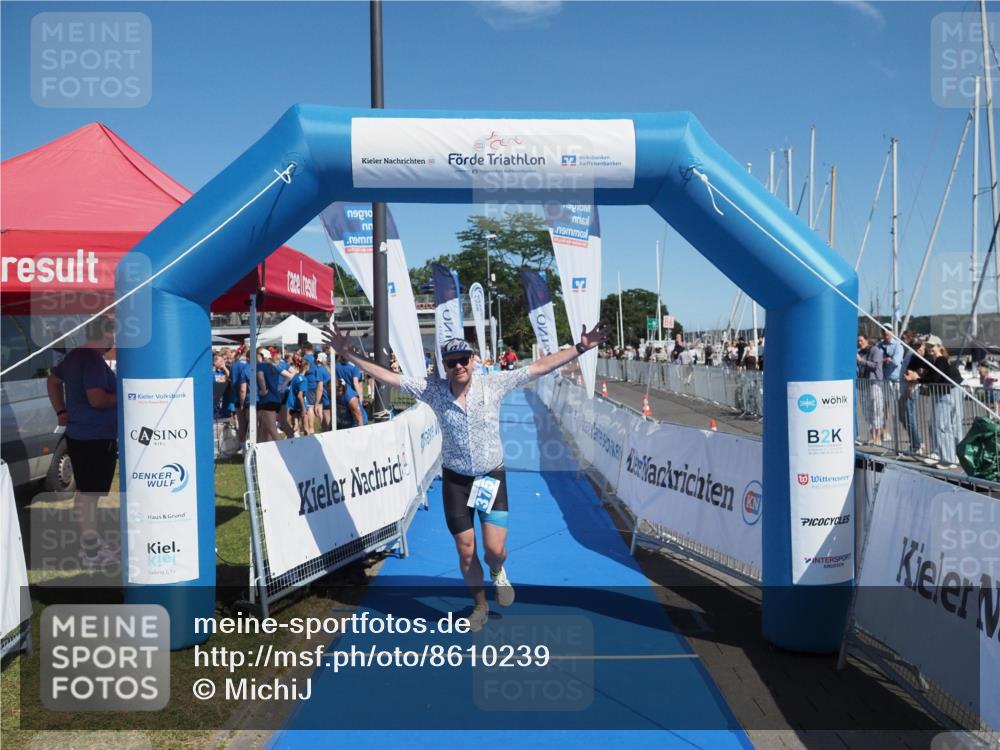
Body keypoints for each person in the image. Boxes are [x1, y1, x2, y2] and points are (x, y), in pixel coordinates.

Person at [324, 321, 610, 631]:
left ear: (473, 360)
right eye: (452, 362)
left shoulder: (494, 384)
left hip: (491, 477)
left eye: (464, 359)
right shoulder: (432, 390)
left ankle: (498, 571)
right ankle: (480, 605)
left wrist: (580, 348)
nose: (459, 365)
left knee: (493, 550)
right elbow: (389, 376)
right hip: (456, 481)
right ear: (444, 366)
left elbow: (539, 367)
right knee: (465, 549)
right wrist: (348, 354)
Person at [46, 315, 119, 567]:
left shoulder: (76, 356)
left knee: (86, 493)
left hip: (81, 435)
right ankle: (90, 552)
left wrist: (61, 411)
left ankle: (93, 545)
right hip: (94, 437)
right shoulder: (92, 360)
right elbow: (97, 399)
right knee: (89, 495)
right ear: (105, 333)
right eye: (113, 333)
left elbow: (52, 381)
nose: (115, 338)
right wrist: (126, 397)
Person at [919, 337, 964, 469]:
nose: (929, 348)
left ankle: (948, 458)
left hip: (945, 394)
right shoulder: (939, 360)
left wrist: (918, 379)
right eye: (928, 346)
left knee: (942, 426)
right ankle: (953, 456)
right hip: (950, 392)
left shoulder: (940, 360)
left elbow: (935, 377)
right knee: (951, 425)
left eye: (932, 346)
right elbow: (936, 376)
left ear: (939, 346)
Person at [857, 334, 886, 445]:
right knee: (866, 411)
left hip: (874, 383)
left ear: (867, 340)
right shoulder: (860, 352)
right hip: (863, 384)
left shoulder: (875, 350)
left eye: (861, 340)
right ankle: (872, 436)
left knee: (877, 410)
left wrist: (861, 361)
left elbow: (875, 365)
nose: (859, 343)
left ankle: (878, 438)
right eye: (858, 341)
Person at [256, 348, 282, 442]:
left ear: (261, 356)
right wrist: (281, 386)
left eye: (257, 355)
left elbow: (260, 376)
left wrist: (263, 390)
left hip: (267, 400)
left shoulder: (261, 366)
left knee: (272, 431)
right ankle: (262, 453)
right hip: (276, 399)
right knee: (264, 429)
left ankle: (285, 452)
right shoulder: (273, 367)